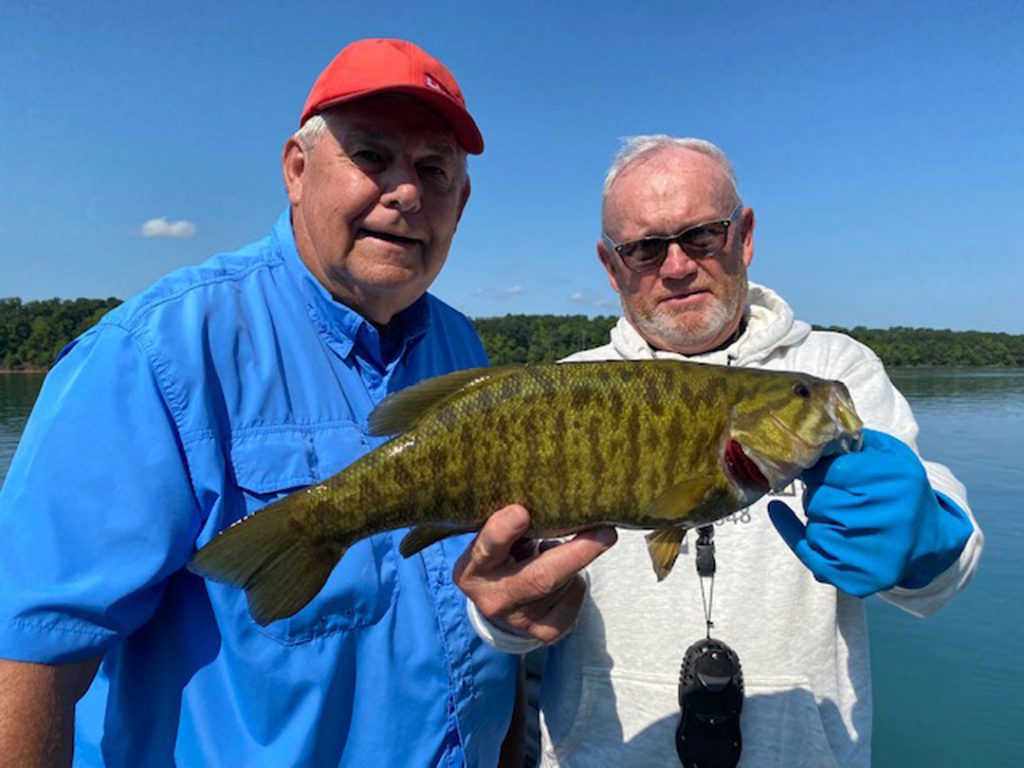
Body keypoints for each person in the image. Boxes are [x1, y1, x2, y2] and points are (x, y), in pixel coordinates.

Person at [0, 38, 609, 767]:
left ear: (461, 200)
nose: (406, 192)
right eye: (371, 157)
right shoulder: (158, 352)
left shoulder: (463, 350)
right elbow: (28, 658)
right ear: (296, 170)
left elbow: (480, 611)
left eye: (433, 169)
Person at [457, 136, 983, 767]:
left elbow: (943, 578)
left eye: (702, 235)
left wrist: (926, 537)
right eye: (646, 248)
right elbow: (499, 609)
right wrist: (505, 614)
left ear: (745, 235)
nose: (677, 266)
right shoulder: (566, 393)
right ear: (610, 264)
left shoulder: (830, 373)